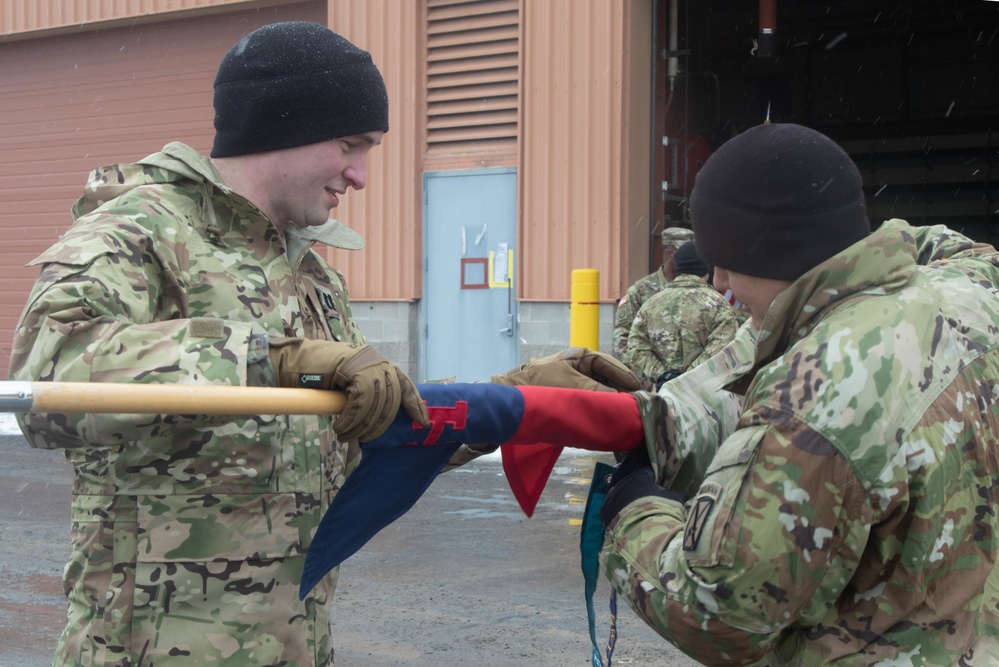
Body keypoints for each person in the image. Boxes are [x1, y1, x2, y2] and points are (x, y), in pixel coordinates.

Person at [6, 21, 453, 667]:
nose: (359, 176)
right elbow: (46, 383)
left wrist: (516, 402)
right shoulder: (139, 229)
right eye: (351, 144)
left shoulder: (310, 272)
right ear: (282, 125)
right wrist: (266, 360)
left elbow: (364, 423)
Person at [598, 123, 999, 665]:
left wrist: (635, 512)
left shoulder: (809, 401)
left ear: (772, 251)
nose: (719, 282)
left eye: (727, 259)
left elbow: (719, 614)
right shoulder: (968, 290)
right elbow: (949, 245)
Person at [621, 240, 742, 389]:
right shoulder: (720, 305)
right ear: (706, 271)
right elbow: (723, 351)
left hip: (662, 396)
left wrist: (664, 376)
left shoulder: (650, 304)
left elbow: (636, 349)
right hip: (705, 397)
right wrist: (687, 379)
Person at [612, 226, 694, 359]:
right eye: (683, 253)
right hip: (651, 374)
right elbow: (622, 339)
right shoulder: (641, 290)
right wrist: (643, 373)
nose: (688, 258)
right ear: (669, 253)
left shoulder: (698, 289)